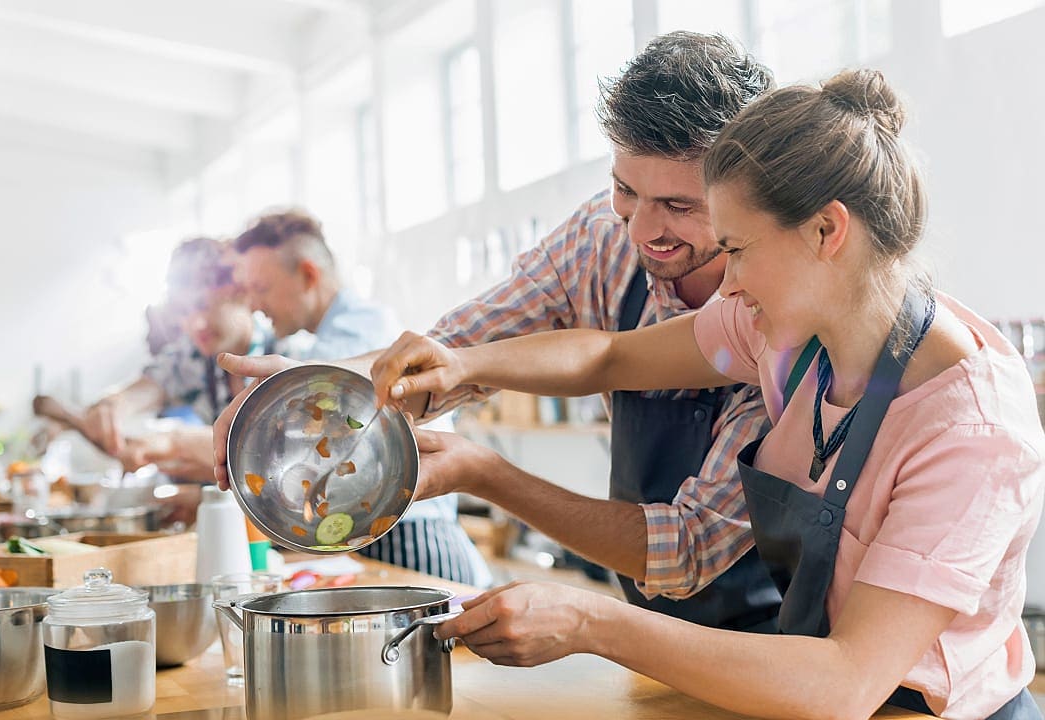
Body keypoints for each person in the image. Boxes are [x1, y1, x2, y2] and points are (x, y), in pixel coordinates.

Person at [371, 69, 1045, 719]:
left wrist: (588, 620)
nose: (727, 282)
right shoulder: (784, 336)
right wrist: (462, 363)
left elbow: (843, 683)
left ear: (825, 231)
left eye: (738, 249)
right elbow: (607, 355)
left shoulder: (973, 432)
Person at [213, 31, 781, 630]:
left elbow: (685, 551)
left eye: (679, 206)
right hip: (653, 628)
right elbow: (464, 349)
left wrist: (485, 472)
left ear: (745, 191)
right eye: (625, 190)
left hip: (770, 638)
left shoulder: (776, 313)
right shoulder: (600, 237)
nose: (641, 230)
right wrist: (319, 385)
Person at [231, 209, 492, 587]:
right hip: (380, 535)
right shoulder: (330, 333)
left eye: (261, 288)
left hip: (412, 537)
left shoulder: (358, 330)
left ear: (307, 274)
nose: (254, 304)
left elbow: (306, 430)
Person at [81, 237, 276, 482]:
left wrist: (176, 441)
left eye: (203, 305)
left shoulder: (286, 351)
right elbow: (149, 386)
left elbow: (268, 449)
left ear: (239, 292)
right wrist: (112, 405)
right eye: (183, 312)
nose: (195, 324)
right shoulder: (192, 357)